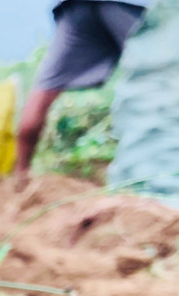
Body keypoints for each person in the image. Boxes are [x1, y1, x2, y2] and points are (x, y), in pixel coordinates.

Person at [15, 1, 152, 185]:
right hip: (131, 4)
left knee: (45, 88)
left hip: (74, 6)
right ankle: (156, 181)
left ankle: (20, 177)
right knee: (165, 77)